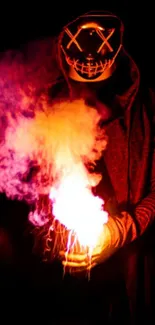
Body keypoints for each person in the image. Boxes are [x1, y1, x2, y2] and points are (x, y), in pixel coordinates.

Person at [46, 10, 155, 324]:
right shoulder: (45, 105)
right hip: (62, 291)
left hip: (132, 276)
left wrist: (117, 233)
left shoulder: (148, 110)